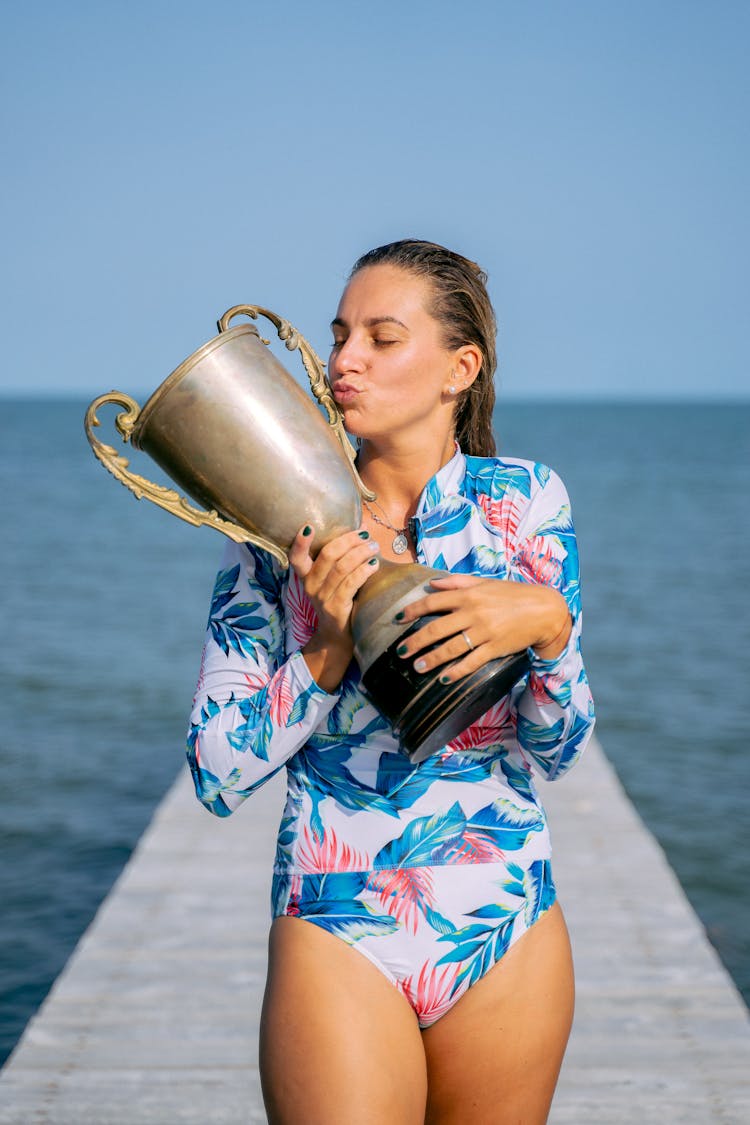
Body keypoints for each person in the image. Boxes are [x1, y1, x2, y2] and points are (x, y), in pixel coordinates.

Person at [187, 239, 595, 1124]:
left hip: (506, 920)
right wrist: (327, 650)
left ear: (460, 369)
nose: (343, 361)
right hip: (337, 924)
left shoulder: (526, 503)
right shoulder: (270, 529)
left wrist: (551, 628)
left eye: (380, 337)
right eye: (339, 336)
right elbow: (215, 771)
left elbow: (557, 748)